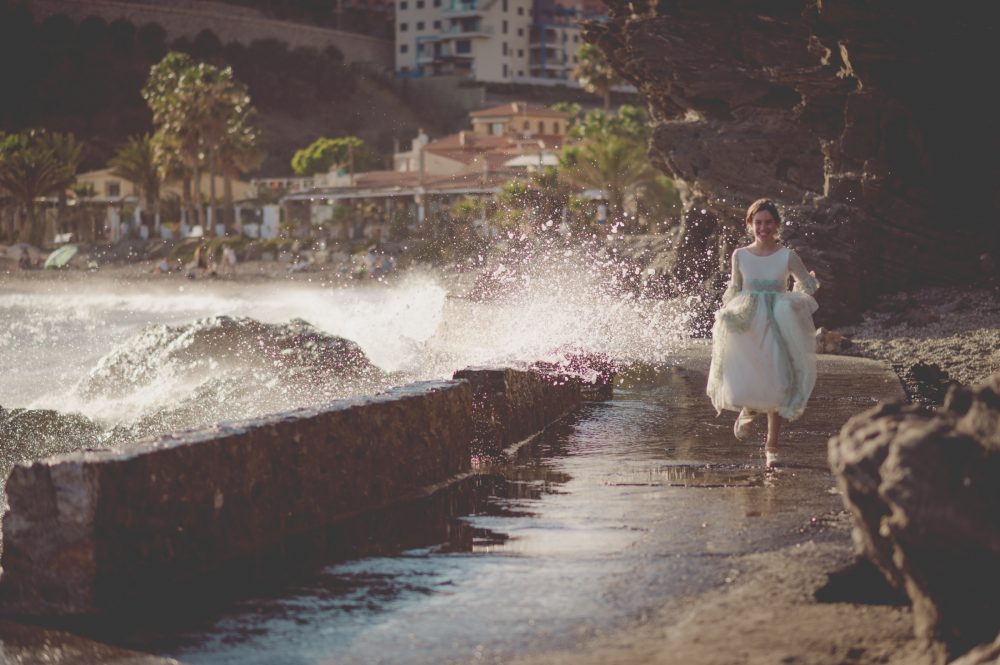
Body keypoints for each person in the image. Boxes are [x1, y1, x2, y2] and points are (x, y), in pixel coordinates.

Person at [706, 198, 820, 468]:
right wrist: (726, 313)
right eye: (758, 222)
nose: (763, 227)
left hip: (778, 323)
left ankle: (772, 445)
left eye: (769, 222)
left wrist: (794, 301)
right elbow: (735, 288)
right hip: (747, 320)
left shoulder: (786, 255)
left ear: (777, 225)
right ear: (750, 225)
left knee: (778, 379)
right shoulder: (740, 255)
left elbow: (807, 284)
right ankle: (748, 408)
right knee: (749, 373)